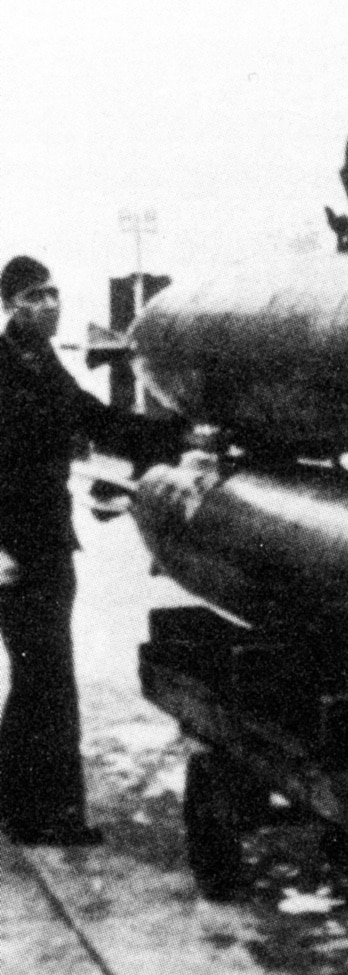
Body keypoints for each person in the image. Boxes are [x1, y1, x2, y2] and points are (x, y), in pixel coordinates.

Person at [0, 255, 181, 846]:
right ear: (11, 307)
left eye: (54, 293)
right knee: (46, 678)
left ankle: (17, 801)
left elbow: (103, 423)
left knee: (39, 677)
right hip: (13, 551)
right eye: (35, 296)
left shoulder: (45, 367)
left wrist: (180, 434)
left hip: (49, 542)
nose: (50, 304)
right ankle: (47, 817)